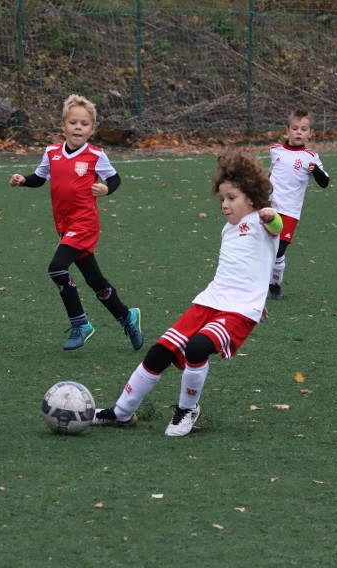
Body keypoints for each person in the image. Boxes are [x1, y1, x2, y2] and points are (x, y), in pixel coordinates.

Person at [92, 153, 283, 436]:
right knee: (159, 353)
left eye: (232, 198)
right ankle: (121, 413)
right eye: (222, 200)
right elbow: (247, 268)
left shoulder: (262, 221)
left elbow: (276, 227)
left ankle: (187, 409)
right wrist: (259, 296)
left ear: (252, 199)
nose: (225, 205)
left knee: (196, 348)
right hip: (210, 301)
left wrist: (271, 215)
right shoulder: (228, 230)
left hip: (238, 311)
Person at [9, 94, 143, 352]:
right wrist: (23, 180)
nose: (78, 127)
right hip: (64, 225)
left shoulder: (96, 155)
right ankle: (127, 316)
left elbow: (115, 179)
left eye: (84, 123)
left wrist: (106, 189)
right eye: (73, 122)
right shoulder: (51, 153)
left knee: (57, 268)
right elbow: (40, 177)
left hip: (84, 224)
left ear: (92, 129)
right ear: (63, 126)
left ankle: (80, 324)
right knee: (95, 280)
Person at [267, 109, 330, 300]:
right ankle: (255, 284)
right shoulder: (275, 150)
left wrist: (316, 171)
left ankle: (275, 285)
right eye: (295, 128)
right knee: (262, 247)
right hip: (270, 207)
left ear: (310, 133)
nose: (299, 132)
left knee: (279, 251)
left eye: (303, 129)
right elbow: (270, 175)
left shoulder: (311, 156)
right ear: (287, 131)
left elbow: (325, 182)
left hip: (290, 212)